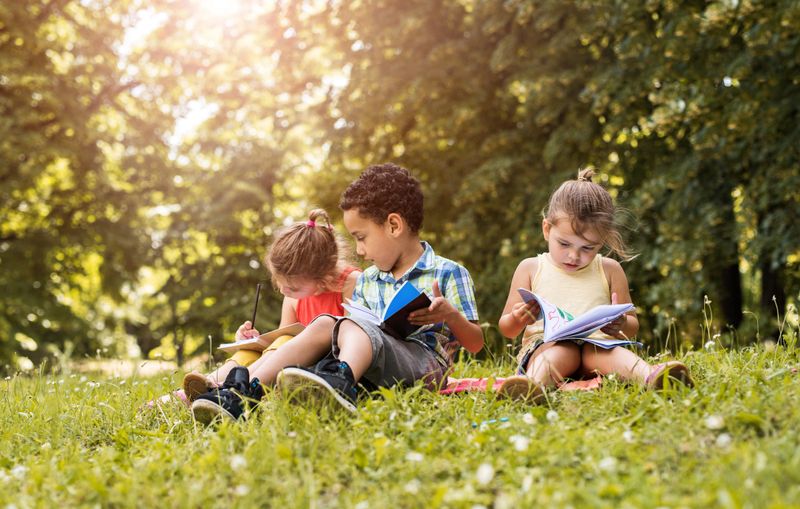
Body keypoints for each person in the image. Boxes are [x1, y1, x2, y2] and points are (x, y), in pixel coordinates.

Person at [191, 163, 483, 421]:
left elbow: (475, 344)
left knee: (352, 325)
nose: (359, 250)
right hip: (377, 365)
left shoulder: (448, 272)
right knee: (326, 322)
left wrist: (451, 316)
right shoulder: (369, 280)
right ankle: (241, 393)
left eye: (362, 237)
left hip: (425, 366)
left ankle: (339, 381)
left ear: (394, 225)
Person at [496, 168, 693, 401]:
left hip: (598, 347)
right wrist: (519, 319)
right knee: (564, 350)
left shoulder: (609, 269)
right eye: (564, 244)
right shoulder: (530, 267)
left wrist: (620, 324)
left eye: (587, 248)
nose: (573, 256)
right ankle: (531, 386)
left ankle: (651, 376)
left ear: (602, 241)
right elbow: (506, 328)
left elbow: (632, 326)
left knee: (602, 350)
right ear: (547, 229)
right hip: (547, 349)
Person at [149, 209, 360, 408]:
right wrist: (255, 340)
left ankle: (227, 390)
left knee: (282, 343)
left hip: (323, 368)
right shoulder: (294, 297)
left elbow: (358, 339)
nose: (285, 291)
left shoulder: (349, 285)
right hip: (287, 364)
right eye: (279, 283)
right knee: (248, 350)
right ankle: (197, 390)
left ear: (323, 277)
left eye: (293, 287)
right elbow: (282, 341)